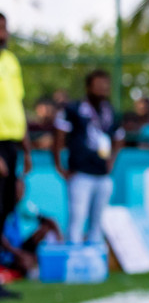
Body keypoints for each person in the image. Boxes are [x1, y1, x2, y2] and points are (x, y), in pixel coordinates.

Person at [52, 68, 124, 245]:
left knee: (97, 222)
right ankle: (74, 259)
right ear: (88, 87)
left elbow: (119, 138)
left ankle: (94, 263)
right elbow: (58, 137)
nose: (102, 90)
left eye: (105, 87)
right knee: (77, 218)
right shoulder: (74, 109)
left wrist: (111, 161)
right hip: (80, 173)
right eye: (98, 86)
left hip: (102, 175)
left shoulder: (110, 111)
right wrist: (60, 167)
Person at [0, 12, 32, 299]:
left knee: (6, 207)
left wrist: (26, 148)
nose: (3, 33)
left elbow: (16, 105)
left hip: (11, 145)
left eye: (4, 27)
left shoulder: (10, 62)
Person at [1, 175, 62, 279]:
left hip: (18, 246)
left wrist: (59, 238)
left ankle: (40, 260)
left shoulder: (23, 206)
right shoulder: (3, 205)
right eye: (18, 189)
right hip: (6, 249)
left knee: (44, 229)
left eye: (23, 189)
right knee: (23, 261)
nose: (21, 192)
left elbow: (50, 220)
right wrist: (19, 254)